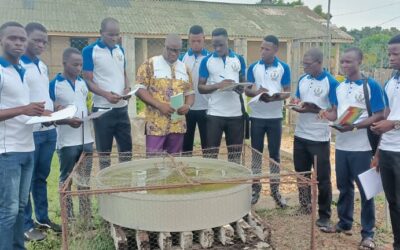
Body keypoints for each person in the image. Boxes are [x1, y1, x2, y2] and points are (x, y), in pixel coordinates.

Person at [321, 47, 385, 249]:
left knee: (366, 190)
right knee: (343, 186)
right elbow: (335, 113)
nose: (345, 65)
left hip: (363, 146)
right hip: (342, 145)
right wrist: (324, 115)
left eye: (349, 62)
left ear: (360, 62)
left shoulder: (370, 86)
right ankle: (344, 223)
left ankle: (368, 234)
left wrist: (356, 125)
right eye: (343, 62)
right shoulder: (339, 87)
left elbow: (380, 115)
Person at [0, 21, 46, 250]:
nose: (18, 42)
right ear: (1, 40)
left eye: (21, 39)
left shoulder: (20, 71)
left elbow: (24, 108)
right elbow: (20, 109)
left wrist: (53, 115)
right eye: (12, 38)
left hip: (27, 147)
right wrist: (23, 109)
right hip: (7, 151)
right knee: (8, 211)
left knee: (19, 207)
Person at [21, 22, 60, 241]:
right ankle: (26, 226)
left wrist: (55, 108)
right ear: (24, 38)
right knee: (26, 180)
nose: (41, 44)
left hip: (49, 130)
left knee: (41, 177)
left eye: (44, 41)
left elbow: (43, 94)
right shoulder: (18, 66)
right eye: (36, 39)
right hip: (31, 131)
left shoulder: (42, 65)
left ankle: (42, 218)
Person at [291, 48, 338, 228]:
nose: (304, 67)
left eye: (308, 64)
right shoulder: (303, 80)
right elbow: (297, 99)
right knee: (302, 174)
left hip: (319, 137)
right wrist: (295, 105)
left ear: (319, 63)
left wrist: (314, 109)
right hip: (300, 134)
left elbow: (334, 112)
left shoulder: (330, 82)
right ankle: (304, 206)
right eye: (303, 63)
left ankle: (324, 214)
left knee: (322, 178)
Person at [245, 35, 290, 207]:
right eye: (261, 48)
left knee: (275, 155)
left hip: (275, 118)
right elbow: (247, 90)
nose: (262, 51)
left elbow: (287, 91)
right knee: (256, 153)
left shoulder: (283, 67)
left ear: (275, 50)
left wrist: (274, 97)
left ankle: (275, 190)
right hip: (256, 117)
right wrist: (257, 93)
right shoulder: (254, 67)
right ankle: (255, 189)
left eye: (267, 49)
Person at [50, 47, 94, 219]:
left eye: (81, 65)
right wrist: (67, 120)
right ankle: (69, 217)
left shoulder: (83, 83)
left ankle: (86, 215)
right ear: (64, 64)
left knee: (84, 179)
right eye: (75, 64)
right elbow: (50, 113)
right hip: (67, 142)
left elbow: (83, 105)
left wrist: (90, 114)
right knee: (66, 179)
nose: (78, 68)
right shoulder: (54, 85)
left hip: (86, 139)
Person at [82, 17, 132, 169]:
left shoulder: (120, 50)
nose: (114, 38)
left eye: (117, 34)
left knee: (126, 152)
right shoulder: (90, 51)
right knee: (104, 154)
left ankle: (124, 186)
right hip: (103, 110)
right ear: (101, 33)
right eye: (110, 34)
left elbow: (123, 74)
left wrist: (128, 88)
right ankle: (106, 190)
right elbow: (88, 81)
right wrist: (106, 95)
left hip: (122, 109)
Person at [136, 34, 194, 155]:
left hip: (177, 125)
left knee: (174, 163)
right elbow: (139, 89)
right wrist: (159, 105)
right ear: (164, 46)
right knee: (154, 164)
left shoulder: (185, 68)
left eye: (177, 50)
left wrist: (188, 105)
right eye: (170, 49)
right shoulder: (150, 64)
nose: (173, 53)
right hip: (155, 125)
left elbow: (190, 92)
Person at [198, 28, 246, 163]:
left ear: (228, 41)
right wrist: (218, 85)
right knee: (211, 156)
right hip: (215, 114)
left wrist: (240, 88)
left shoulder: (239, 59)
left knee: (235, 156)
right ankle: (212, 183)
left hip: (236, 114)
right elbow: (200, 88)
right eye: (214, 45)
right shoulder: (206, 61)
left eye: (221, 45)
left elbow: (243, 82)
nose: (217, 48)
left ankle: (233, 182)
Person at [371, 34, 400, 250]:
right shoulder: (391, 81)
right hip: (389, 149)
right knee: (394, 202)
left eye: (395, 53)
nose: (391, 57)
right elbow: (388, 114)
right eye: (389, 53)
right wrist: (379, 152)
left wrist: (394, 124)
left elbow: (392, 120)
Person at [180, 25, 209, 155]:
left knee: (207, 146)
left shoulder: (211, 58)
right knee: (186, 146)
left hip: (207, 108)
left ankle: (207, 174)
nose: (196, 44)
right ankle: (187, 173)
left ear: (204, 39)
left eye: (199, 41)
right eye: (193, 41)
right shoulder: (182, 59)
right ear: (188, 40)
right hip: (187, 108)